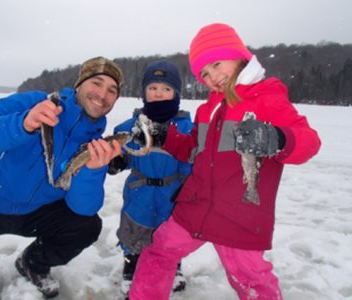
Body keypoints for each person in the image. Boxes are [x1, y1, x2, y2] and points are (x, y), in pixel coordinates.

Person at [128, 23, 322, 300]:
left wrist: (277, 138)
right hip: (194, 208)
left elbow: (309, 142)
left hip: (239, 215)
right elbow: (193, 149)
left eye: (217, 64)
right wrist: (163, 137)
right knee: (159, 251)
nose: (213, 76)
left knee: (251, 279)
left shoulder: (267, 98)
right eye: (204, 73)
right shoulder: (208, 109)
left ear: (239, 56)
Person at [0, 56, 124, 299]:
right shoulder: (33, 101)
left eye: (112, 90)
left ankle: (33, 263)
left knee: (87, 226)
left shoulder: (95, 143)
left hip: (40, 211)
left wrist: (91, 171)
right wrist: (22, 124)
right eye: (97, 83)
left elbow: (83, 208)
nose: (103, 94)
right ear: (79, 84)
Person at [107, 61, 193, 296]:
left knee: (171, 235)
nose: (159, 93)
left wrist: (187, 187)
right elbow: (122, 153)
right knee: (134, 230)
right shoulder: (131, 125)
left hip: (172, 193)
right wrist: (117, 161)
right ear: (144, 92)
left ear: (176, 93)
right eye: (152, 88)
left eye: (166, 89)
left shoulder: (187, 127)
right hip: (140, 191)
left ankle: (174, 267)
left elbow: (192, 160)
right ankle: (130, 267)